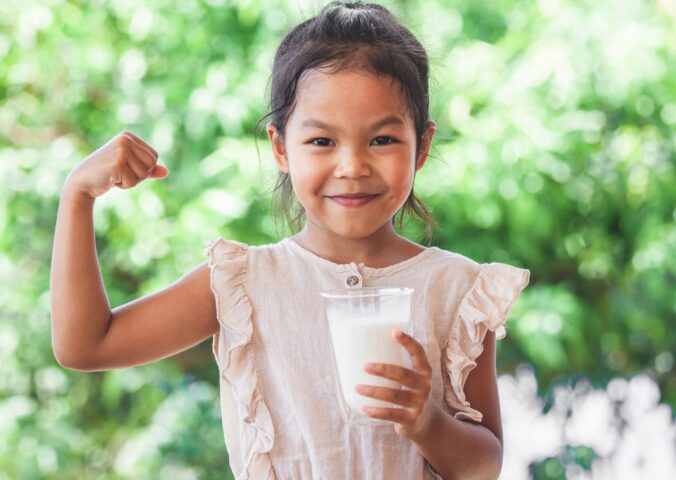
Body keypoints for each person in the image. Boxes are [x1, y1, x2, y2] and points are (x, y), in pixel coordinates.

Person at [50, 2, 530, 479]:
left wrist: (426, 422)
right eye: (322, 141)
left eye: (382, 140)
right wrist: (78, 196)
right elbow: (86, 345)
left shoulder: (457, 289)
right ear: (280, 147)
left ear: (422, 146)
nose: (353, 166)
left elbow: (483, 467)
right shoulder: (243, 286)